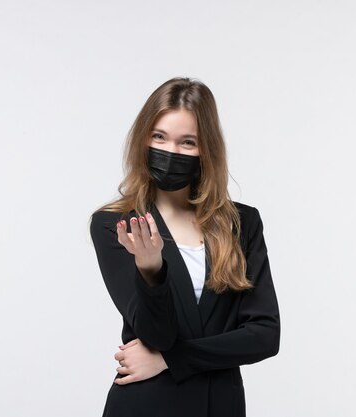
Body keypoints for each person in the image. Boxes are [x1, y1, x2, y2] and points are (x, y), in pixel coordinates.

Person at [88, 77, 280, 417]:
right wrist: (151, 270)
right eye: (159, 136)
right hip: (146, 404)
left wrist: (169, 359)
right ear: (143, 138)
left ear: (206, 149)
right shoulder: (115, 224)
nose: (170, 151)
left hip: (219, 405)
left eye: (187, 142)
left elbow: (264, 335)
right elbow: (155, 334)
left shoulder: (242, 224)